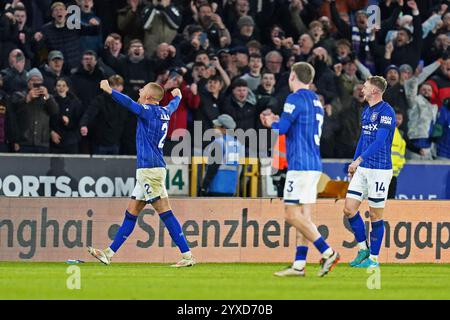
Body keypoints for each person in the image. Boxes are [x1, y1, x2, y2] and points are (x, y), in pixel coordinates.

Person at [88, 80, 195, 267]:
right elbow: (172, 104)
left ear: (148, 97)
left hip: (150, 170)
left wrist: (109, 91)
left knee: (165, 212)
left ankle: (187, 256)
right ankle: (108, 253)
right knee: (132, 212)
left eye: (143, 89)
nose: (139, 90)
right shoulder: (164, 112)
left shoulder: (148, 111)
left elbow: (129, 103)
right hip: (151, 169)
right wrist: (177, 96)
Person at [261, 62, 339, 277]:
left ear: (292, 76)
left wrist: (270, 123)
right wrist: (279, 119)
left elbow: (283, 129)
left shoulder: (294, 98)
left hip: (300, 165)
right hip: (313, 163)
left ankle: (328, 252)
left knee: (291, 215)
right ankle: (299, 264)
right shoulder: (315, 101)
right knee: (304, 217)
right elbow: (298, 125)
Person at [343, 76, 396, 268]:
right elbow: (363, 139)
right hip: (363, 168)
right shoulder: (367, 111)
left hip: (379, 170)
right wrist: (354, 161)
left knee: (375, 215)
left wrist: (359, 160)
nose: (362, 89)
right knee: (349, 209)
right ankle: (362, 249)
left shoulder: (386, 112)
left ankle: (373, 259)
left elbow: (380, 141)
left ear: (375, 91)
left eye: (365, 87)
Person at [200, 114, 242, 197]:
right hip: (231, 188)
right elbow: (239, 168)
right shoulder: (238, 144)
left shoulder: (219, 143)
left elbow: (213, 167)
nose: (214, 128)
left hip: (216, 186)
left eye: (216, 126)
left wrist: (204, 187)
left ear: (224, 129)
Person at [388, 110, 406, 199]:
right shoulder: (384, 131)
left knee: (390, 200)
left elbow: (401, 155)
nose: (397, 121)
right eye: (395, 118)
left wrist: (397, 169)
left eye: (399, 118)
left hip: (393, 175)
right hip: (382, 172)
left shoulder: (401, 134)